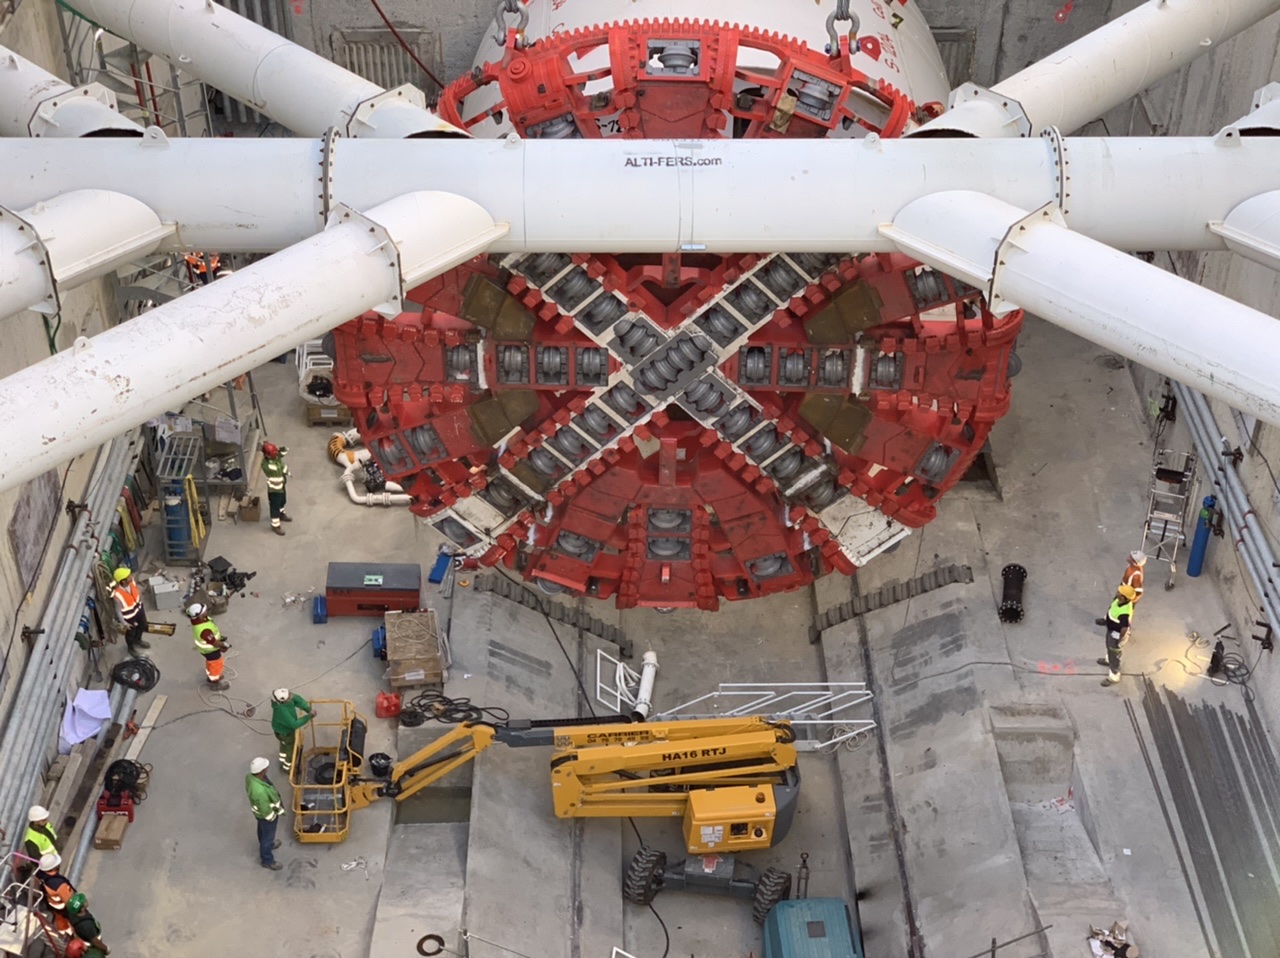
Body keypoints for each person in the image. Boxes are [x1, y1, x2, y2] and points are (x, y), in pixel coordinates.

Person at [245, 756, 285, 871]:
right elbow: (264, 808)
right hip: (267, 817)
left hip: (261, 816)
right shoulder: (259, 791)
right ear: (262, 770)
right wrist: (272, 817)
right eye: (266, 767)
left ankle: (268, 844)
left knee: (262, 831)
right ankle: (267, 860)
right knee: (267, 836)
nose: (268, 768)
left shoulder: (251, 777)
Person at [1098, 584, 1138, 687]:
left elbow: (1123, 630)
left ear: (1125, 598)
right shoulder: (1119, 599)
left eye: (1120, 593)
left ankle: (1114, 675)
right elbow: (1112, 607)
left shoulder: (1125, 613)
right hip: (1111, 630)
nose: (1118, 593)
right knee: (1109, 646)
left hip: (1116, 634)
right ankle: (1108, 660)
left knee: (1114, 652)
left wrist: (1117, 639)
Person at [1096, 550, 1148, 625]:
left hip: (1126, 596)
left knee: (1124, 613)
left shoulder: (1137, 574)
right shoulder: (1131, 566)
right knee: (1113, 605)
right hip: (1123, 591)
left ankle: (1123, 628)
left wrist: (1129, 600)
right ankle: (1107, 619)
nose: (1129, 556)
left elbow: (1139, 591)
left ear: (1135, 562)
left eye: (1131, 557)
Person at [187, 602, 230, 691]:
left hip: (206, 650)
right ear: (200, 616)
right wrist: (223, 645)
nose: (207, 612)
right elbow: (214, 643)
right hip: (211, 651)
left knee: (211, 663)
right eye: (204, 611)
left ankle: (211, 677)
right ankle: (215, 683)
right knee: (216, 664)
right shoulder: (204, 630)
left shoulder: (199, 620)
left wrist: (219, 637)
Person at [270, 689, 314, 774]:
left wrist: (308, 709)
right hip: (285, 733)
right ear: (283, 701)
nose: (291, 696)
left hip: (282, 730)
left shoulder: (283, 699)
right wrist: (309, 716)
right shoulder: (282, 711)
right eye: (289, 697)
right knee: (292, 750)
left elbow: (297, 699)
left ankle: (283, 761)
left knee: (284, 745)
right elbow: (294, 724)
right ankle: (288, 768)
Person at [109, 567, 151, 655]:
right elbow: (118, 611)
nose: (131, 577)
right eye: (128, 576)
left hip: (139, 610)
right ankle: (130, 647)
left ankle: (138, 640)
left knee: (143, 625)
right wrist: (124, 623)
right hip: (130, 617)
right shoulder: (117, 594)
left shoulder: (132, 582)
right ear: (123, 581)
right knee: (130, 633)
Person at [36, 852, 76, 929]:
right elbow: (69, 902)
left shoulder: (39, 875)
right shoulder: (59, 885)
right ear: (55, 867)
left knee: (59, 919)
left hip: (52, 904)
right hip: (63, 907)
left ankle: (62, 930)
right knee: (69, 921)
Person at [260, 442, 292, 536]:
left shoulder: (275, 457)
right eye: (273, 454)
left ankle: (282, 514)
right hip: (274, 490)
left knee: (282, 501)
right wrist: (277, 457)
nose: (276, 455)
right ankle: (275, 525)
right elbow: (278, 467)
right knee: (275, 506)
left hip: (281, 486)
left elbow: (286, 450)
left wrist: (279, 449)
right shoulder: (267, 465)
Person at [20, 805, 58, 880]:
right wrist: (47, 868)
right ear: (36, 822)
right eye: (43, 820)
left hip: (53, 857)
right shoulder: (30, 840)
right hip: (47, 864)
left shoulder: (45, 825)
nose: (47, 821)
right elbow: (36, 859)